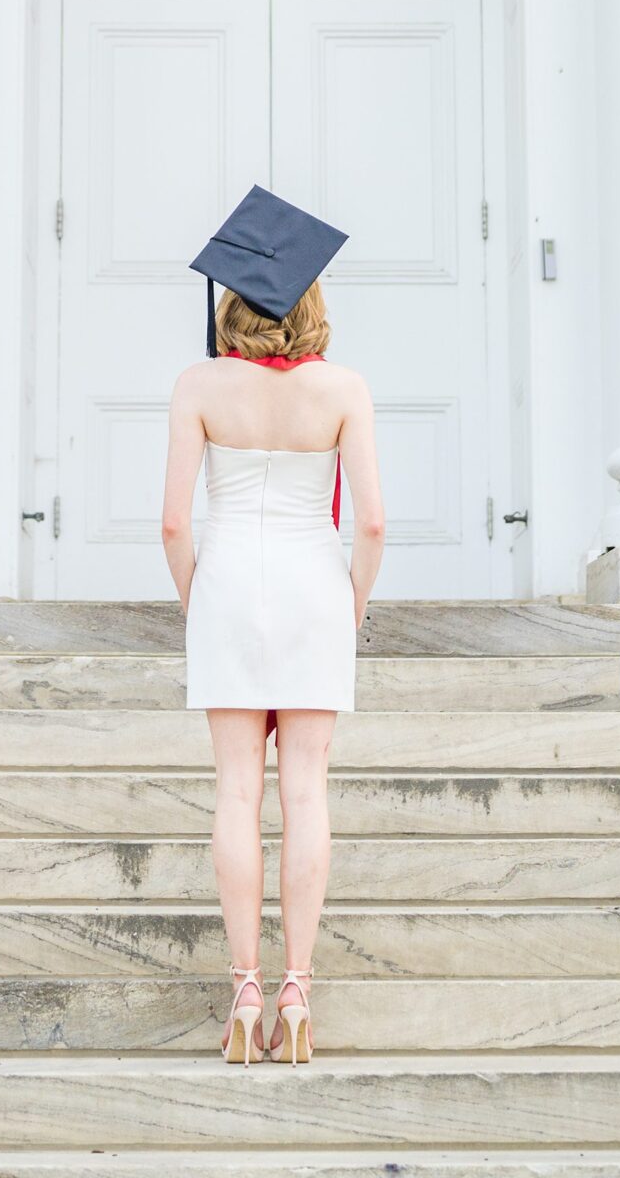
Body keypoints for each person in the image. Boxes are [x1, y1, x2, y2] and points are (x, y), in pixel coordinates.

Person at [161, 186, 385, 1068]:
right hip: (312, 586)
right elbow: (369, 524)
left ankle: (244, 986)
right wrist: (352, 604)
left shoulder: (198, 385)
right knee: (304, 795)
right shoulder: (343, 389)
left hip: (228, 586)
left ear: (230, 303)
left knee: (233, 795)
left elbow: (175, 523)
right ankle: (297, 986)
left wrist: (196, 600)